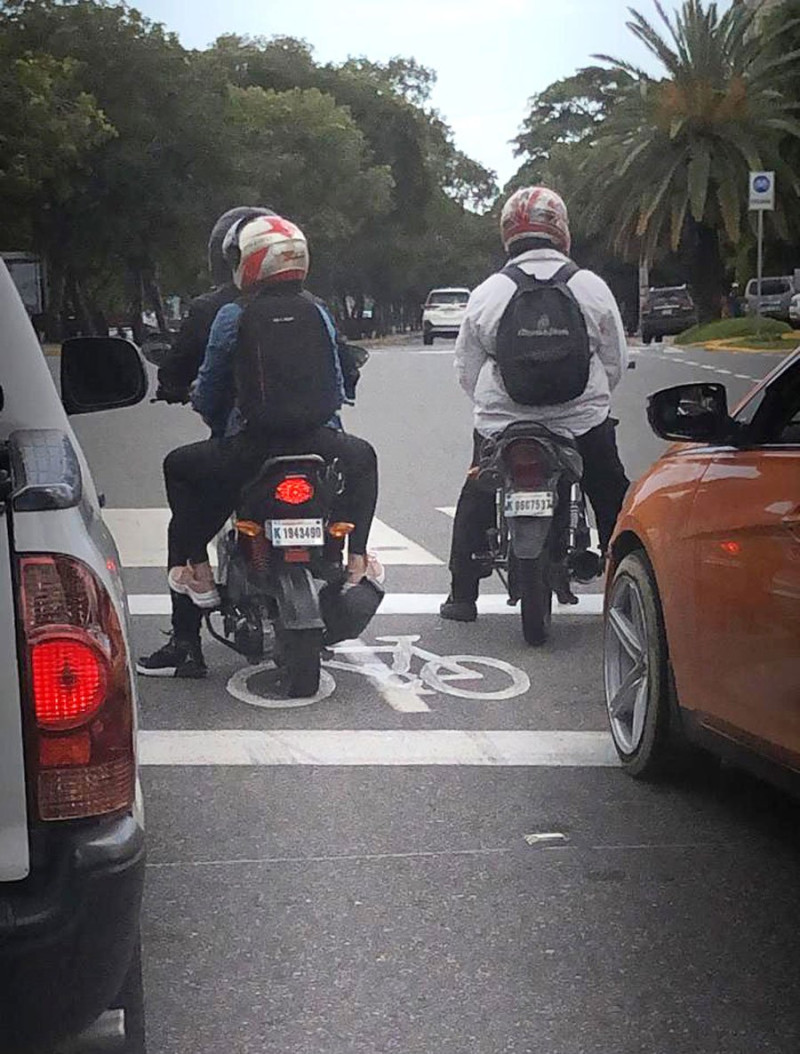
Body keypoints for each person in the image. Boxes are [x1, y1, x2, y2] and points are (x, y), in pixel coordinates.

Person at [161, 214, 380, 614]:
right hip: (318, 443)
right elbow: (336, 379)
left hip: (252, 447)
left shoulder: (233, 314)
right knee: (365, 459)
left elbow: (210, 383)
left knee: (177, 466)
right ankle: (359, 559)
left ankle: (198, 569)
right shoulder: (318, 311)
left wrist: (208, 412)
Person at [440, 186, 630, 622]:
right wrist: (590, 403)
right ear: (560, 230)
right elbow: (614, 358)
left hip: (503, 422)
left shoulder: (490, 291)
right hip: (580, 420)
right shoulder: (589, 286)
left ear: (508, 234)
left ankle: (461, 596)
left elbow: (466, 368)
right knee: (608, 489)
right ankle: (625, 576)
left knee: (478, 490)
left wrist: (496, 410)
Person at [138, 206, 278, 678]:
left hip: (239, 451)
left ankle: (186, 641)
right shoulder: (310, 305)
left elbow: (182, 374)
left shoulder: (214, 309)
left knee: (186, 519)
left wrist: (179, 389)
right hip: (314, 447)